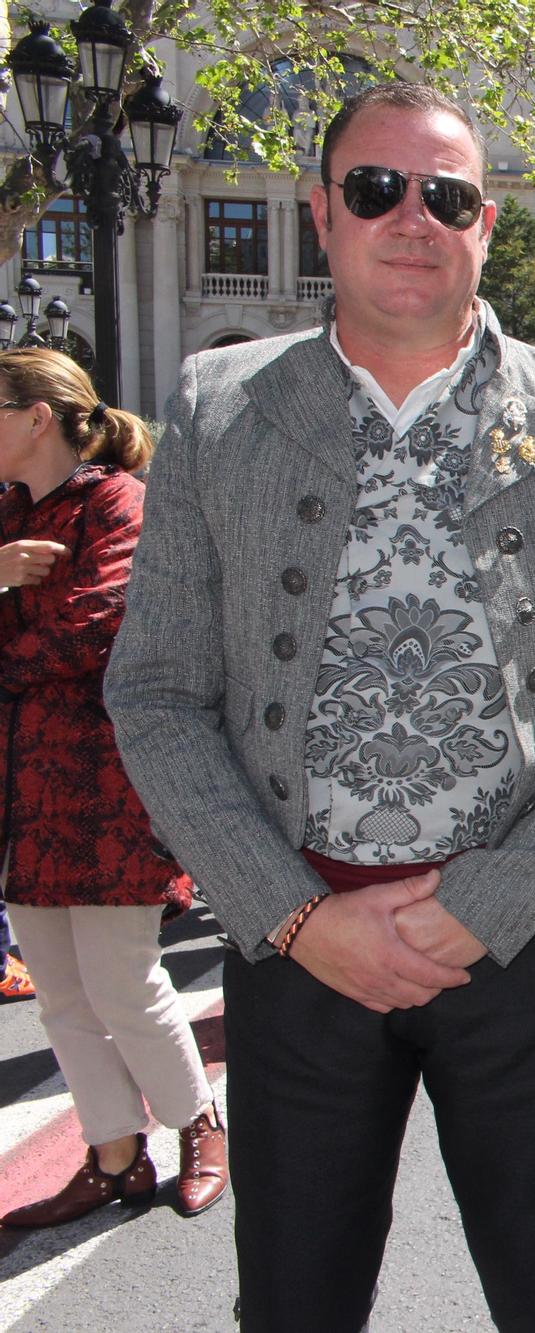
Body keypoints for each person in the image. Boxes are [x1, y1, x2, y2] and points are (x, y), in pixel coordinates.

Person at [104, 82, 535, 1333]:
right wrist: (296, 918)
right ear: (321, 214)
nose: (411, 219)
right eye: (377, 189)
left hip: (515, 946)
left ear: (485, 225)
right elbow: (155, 691)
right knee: (298, 1298)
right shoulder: (221, 407)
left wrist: (483, 906)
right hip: (297, 950)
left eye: (449, 197)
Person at [0, 348, 228, 1228]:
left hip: (105, 785)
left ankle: (200, 1126)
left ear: (36, 416)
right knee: (57, 987)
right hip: (25, 791)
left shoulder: (116, 503)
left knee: (123, 981)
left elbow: (86, 635)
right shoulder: (10, 516)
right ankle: (112, 1156)